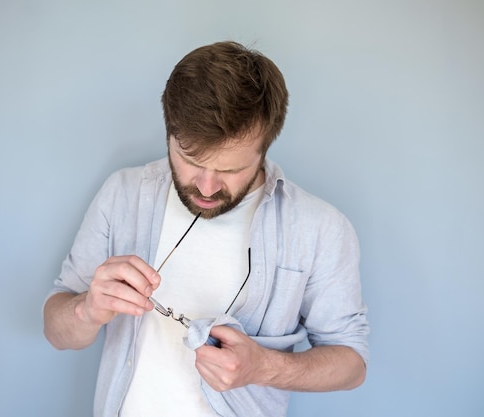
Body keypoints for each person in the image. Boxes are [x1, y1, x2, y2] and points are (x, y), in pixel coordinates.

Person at [43, 41, 369, 417]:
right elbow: (56, 328)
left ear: (265, 148)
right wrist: (87, 310)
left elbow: (352, 364)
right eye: (190, 160)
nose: (207, 187)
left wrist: (263, 366)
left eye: (230, 171)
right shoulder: (122, 194)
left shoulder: (321, 229)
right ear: (169, 134)